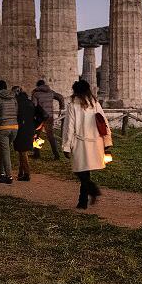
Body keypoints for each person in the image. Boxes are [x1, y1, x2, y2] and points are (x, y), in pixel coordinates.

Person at [61, 79, 111, 209]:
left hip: (80, 143)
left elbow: (69, 128)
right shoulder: (95, 104)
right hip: (96, 142)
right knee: (85, 171)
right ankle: (82, 201)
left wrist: (66, 146)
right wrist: (106, 142)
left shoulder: (73, 105)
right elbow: (104, 123)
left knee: (80, 170)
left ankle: (92, 191)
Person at [31, 79, 64, 159]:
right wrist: (61, 107)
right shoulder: (50, 92)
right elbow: (60, 97)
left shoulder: (35, 94)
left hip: (40, 117)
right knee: (51, 136)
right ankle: (56, 155)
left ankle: (37, 154)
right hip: (49, 117)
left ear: (37, 86)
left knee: (35, 135)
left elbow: (34, 105)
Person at [12, 86, 36, 181]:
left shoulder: (18, 104)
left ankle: (27, 174)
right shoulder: (30, 103)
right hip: (30, 129)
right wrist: (36, 125)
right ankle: (21, 172)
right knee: (21, 151)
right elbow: (41, 114)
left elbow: (17, 116)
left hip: (21, 129)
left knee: (22, 152)